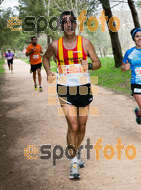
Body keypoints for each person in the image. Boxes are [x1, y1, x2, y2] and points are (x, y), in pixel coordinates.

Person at [43, 11, 101, 180]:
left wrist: (89, 65)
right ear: (61, 26)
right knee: (73, 125)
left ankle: (75, 150)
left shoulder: (85, 43)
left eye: (72, 22)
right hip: (65, 89)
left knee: (82, 126)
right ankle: (74, 160)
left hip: (83, 88)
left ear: (76, 24)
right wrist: (48, 72)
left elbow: (98, 63)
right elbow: (45, 58)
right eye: (65, 22)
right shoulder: (55, 45)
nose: (69, 25)